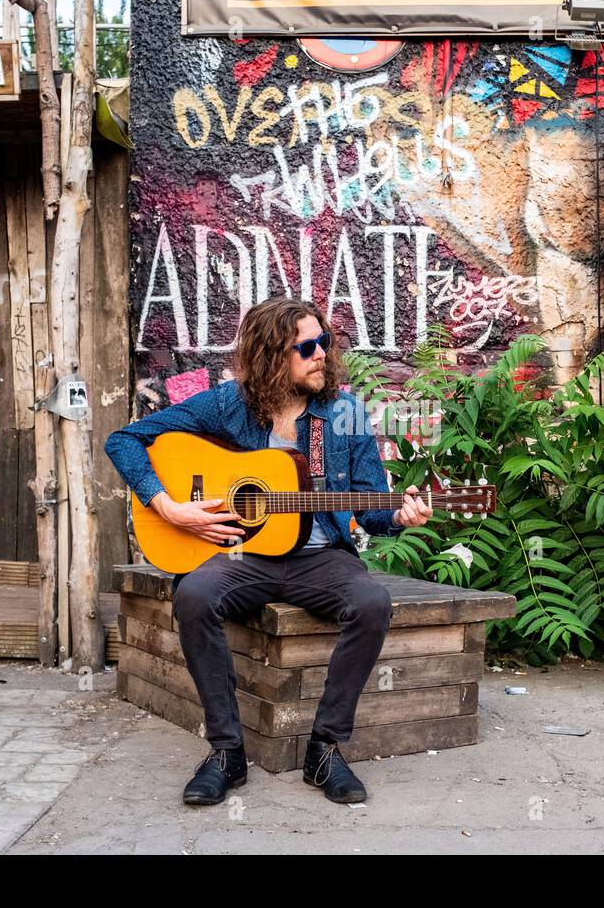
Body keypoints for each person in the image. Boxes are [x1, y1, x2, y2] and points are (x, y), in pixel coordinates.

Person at [104, 296, 433, 806]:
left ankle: (324, 751)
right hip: (243, 556)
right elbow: (124, 440)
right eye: (306, 346)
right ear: (270, 354)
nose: (320, 353)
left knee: (371, 603)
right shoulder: (228, 404)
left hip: (321, 557)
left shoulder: (343, 413)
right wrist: (170, 508)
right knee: (194, 596)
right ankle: (226, 752)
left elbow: (369, 506)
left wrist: (397, 513)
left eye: (323, 341)